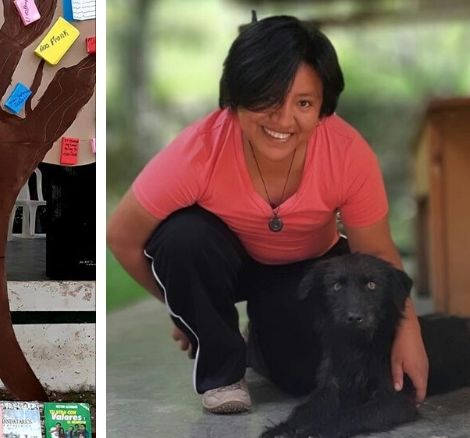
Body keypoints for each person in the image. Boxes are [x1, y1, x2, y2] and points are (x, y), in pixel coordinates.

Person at [107, 15, 428, 415]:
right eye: (269, 99)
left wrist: (407, 329)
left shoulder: (347, 152)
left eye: (304, 103)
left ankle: (260, 337)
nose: (284, 120)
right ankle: (223, 372)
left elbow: (376, 253)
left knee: (301, 377)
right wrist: (186, 309)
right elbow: (122, 236)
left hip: (307, 269)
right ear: (237, 96)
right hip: (229, 264)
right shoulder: (198, 152)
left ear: (323, 107)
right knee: (182, 236)